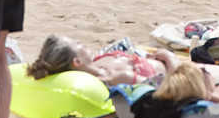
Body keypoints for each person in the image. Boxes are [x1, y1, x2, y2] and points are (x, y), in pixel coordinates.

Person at [26, 35, 177, 87]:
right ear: (77, 62)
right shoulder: (117, 78)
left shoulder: (98, 61)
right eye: (78, 44)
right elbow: (174, 89)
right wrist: (169, 58)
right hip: (183, 72)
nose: (82, 42)